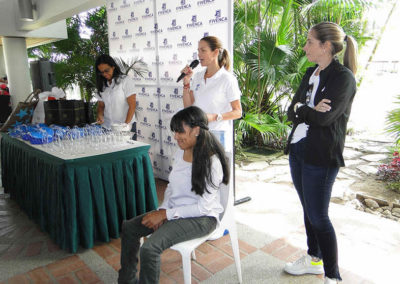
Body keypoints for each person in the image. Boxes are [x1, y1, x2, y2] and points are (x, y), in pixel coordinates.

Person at [118, 106, 229, 284]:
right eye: (174, 131)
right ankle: (126, 280)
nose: (175, 136)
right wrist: (163, 210)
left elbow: (203, 207)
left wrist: (166, 214)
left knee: (149, 249)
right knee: (129, 228)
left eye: (180, 131)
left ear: (197, 130)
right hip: (176, 211)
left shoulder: (212, 162)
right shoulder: (180, 153)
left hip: (203, 218)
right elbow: (171, 188)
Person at [284, 22, 358, 284]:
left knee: (319, 216)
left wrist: (304, 109)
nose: (305, 47)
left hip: (321, 155)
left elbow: (325, 121)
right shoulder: (310, 73)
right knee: (308, 209)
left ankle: (333, 276)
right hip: (298, 149)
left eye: (310, 42)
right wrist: (309, 108)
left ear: (326, 47)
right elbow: (290, 110)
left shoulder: (343, 78)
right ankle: (314, 259)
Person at [180, 36, 242, 152]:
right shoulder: (198, 76)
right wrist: (186, 83)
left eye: (203, 50)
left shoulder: (227, 79)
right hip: (197, 133)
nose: (199, 55)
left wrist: (214, 117)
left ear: (215, 52)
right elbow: (188, 107)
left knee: (214, 169)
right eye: (198, 51)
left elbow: (238, 112)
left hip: (217, 134)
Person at [95, 54, 137, 138]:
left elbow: (132, 105)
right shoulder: (102, 85)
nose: (104, 74)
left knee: (127, 151)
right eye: (101, 72)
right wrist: (100, 115)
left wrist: (125, 126)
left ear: (113, 67)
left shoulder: (125, 80)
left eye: (106, 70)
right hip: (107, 127)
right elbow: (101, 106)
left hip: (125, 127)